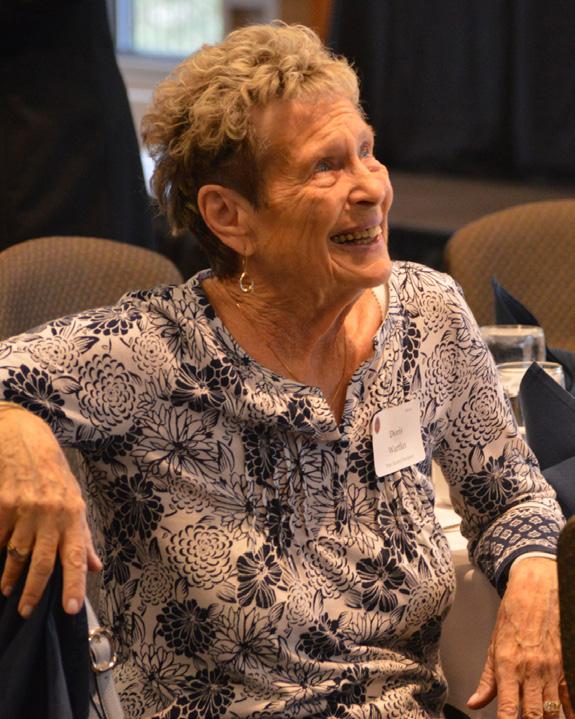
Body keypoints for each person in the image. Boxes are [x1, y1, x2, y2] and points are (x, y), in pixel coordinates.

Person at [0, 21, 571, 719]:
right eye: (325, 167)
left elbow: (511, 496)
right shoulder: (149, 353)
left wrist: (536, 573)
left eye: (367, 151)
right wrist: (16, 430)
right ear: (229, 216)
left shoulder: (426, 314)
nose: (370, 188)